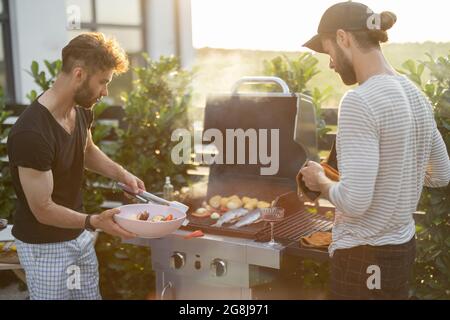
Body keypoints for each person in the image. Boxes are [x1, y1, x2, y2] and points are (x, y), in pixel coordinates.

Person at [299, 2, 450, 299]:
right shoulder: (415, 96)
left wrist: (320, 182)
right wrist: (396, 175)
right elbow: (441, 174)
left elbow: (354, 202)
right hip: (402, 251)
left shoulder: (360, 101)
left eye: (329, 51)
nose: (330, 63)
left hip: (363, 257)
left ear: (343, 38)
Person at [7, 32, 145, 300]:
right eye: (103, 82)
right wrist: (94, 221)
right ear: (79, 75)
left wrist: (123, 174)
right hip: (45, 248)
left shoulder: (81, 109)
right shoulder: (31, 134)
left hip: (77, 237)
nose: (106, 91)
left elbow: (87, 149)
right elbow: (43, 209)